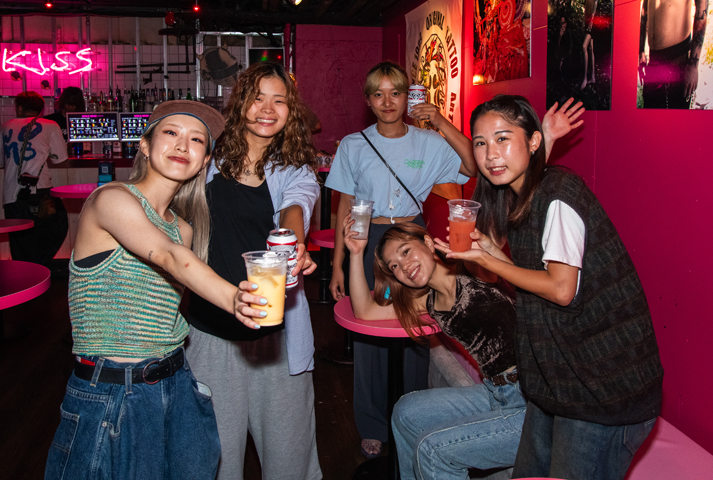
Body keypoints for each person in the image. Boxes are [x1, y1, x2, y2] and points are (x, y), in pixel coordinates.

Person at [44, 100, 269, 479]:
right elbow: (168, 256)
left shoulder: (183, 229)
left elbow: (173, 298)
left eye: (196, 140)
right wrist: (234, 298)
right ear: (145, 145)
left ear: (205, 160)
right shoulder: (111, 199)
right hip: (114, 391)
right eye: (171, 133)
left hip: (176, 381)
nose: (183, 145)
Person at [443, 94, 663, 480]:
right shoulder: (518, 197)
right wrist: (490, 252)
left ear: (532, 141)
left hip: (604, 388)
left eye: (502, 138)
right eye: (480, 142)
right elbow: (535, 280)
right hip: (557, 382)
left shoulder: (558, 193)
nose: (490, 154)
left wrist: (490, 260)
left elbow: (562, 289)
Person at [325, 60, 478, 457]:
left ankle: (412, 419)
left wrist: (440, 121)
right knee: (368, 333)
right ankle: (372, 423)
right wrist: (338, 264)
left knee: (415, 330)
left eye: (396, 92)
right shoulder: (353, 144)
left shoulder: (428, 142)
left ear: (407, 97)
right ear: (368, 101)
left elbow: (472, 164)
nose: (388, 101)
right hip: (368, 238)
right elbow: (343, 207)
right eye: (378, 94)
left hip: (412, 239)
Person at [185, 61, 322, 480]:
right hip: (210, 333)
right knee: (215, 458)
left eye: (279, 101)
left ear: (290, 112)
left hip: (274, 338)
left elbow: (295, 207)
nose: (267, 108)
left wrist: (293, 244)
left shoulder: (295, 170)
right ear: (241, 102)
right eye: (258, 97)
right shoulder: (205, 162)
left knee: (288, 459)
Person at [343, 218, 524, 479]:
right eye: (394, 266)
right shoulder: (426, 302)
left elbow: (522, 283)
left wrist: (488, 249)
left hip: (532, 398)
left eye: (406, 251)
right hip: (497, 392)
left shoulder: (470, 266)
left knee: (432, 449)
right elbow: (364, 311)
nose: (404, 266)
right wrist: (355, 253)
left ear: (428, 242)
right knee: (405, 411)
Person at [0, 91, 68, 266]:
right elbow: (60, 158)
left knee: (20, 242)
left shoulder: (5, 127)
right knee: (55, 228)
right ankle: (40, 269)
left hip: (12, 195)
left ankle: (25, 274)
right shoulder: (50, 125)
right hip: (41, 189)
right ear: (41, 110)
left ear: (19, 108)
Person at [639, 0, 708, 108]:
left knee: (674, 116)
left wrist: (693, 66)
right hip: (654, 59)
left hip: (676, 59)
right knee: (651, 113)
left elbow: (702, 9)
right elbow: (645, 7)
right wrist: (641, 50)